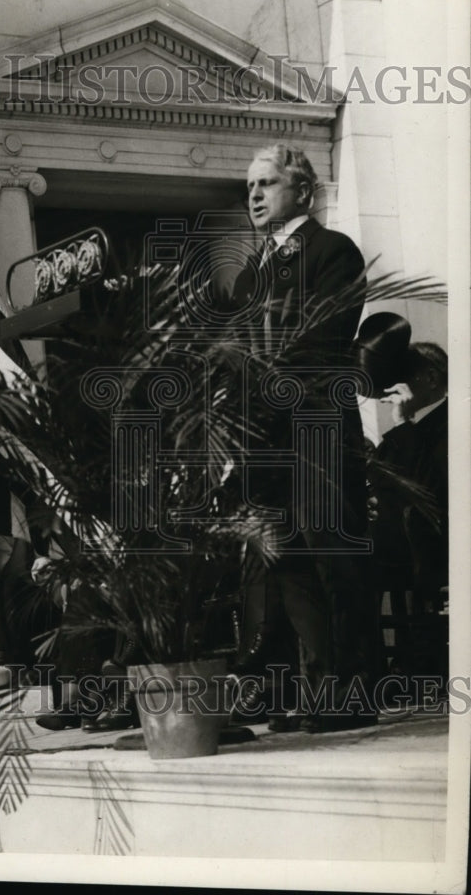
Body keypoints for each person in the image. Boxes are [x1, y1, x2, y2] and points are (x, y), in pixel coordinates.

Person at [226, 143, 375, 732]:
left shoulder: (334, 251)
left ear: (303, 192)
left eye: (266, 183)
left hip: (317, 427)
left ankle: (356, 692)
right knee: (286, 564)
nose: (254, 196)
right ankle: (311, 692)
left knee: (333, 557)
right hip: (263, 439)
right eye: (250, 187)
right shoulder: (247, 275)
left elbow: (322, 339)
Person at [365, 339, 449, 679]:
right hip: (402, 536)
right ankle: (373, 667)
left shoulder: (449, 422)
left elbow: (428, 485)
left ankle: (393, 664)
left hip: (434, 539)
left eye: (403, 380)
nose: (392, 392)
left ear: (430, 377)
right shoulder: (410, 431)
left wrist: (403, 421)